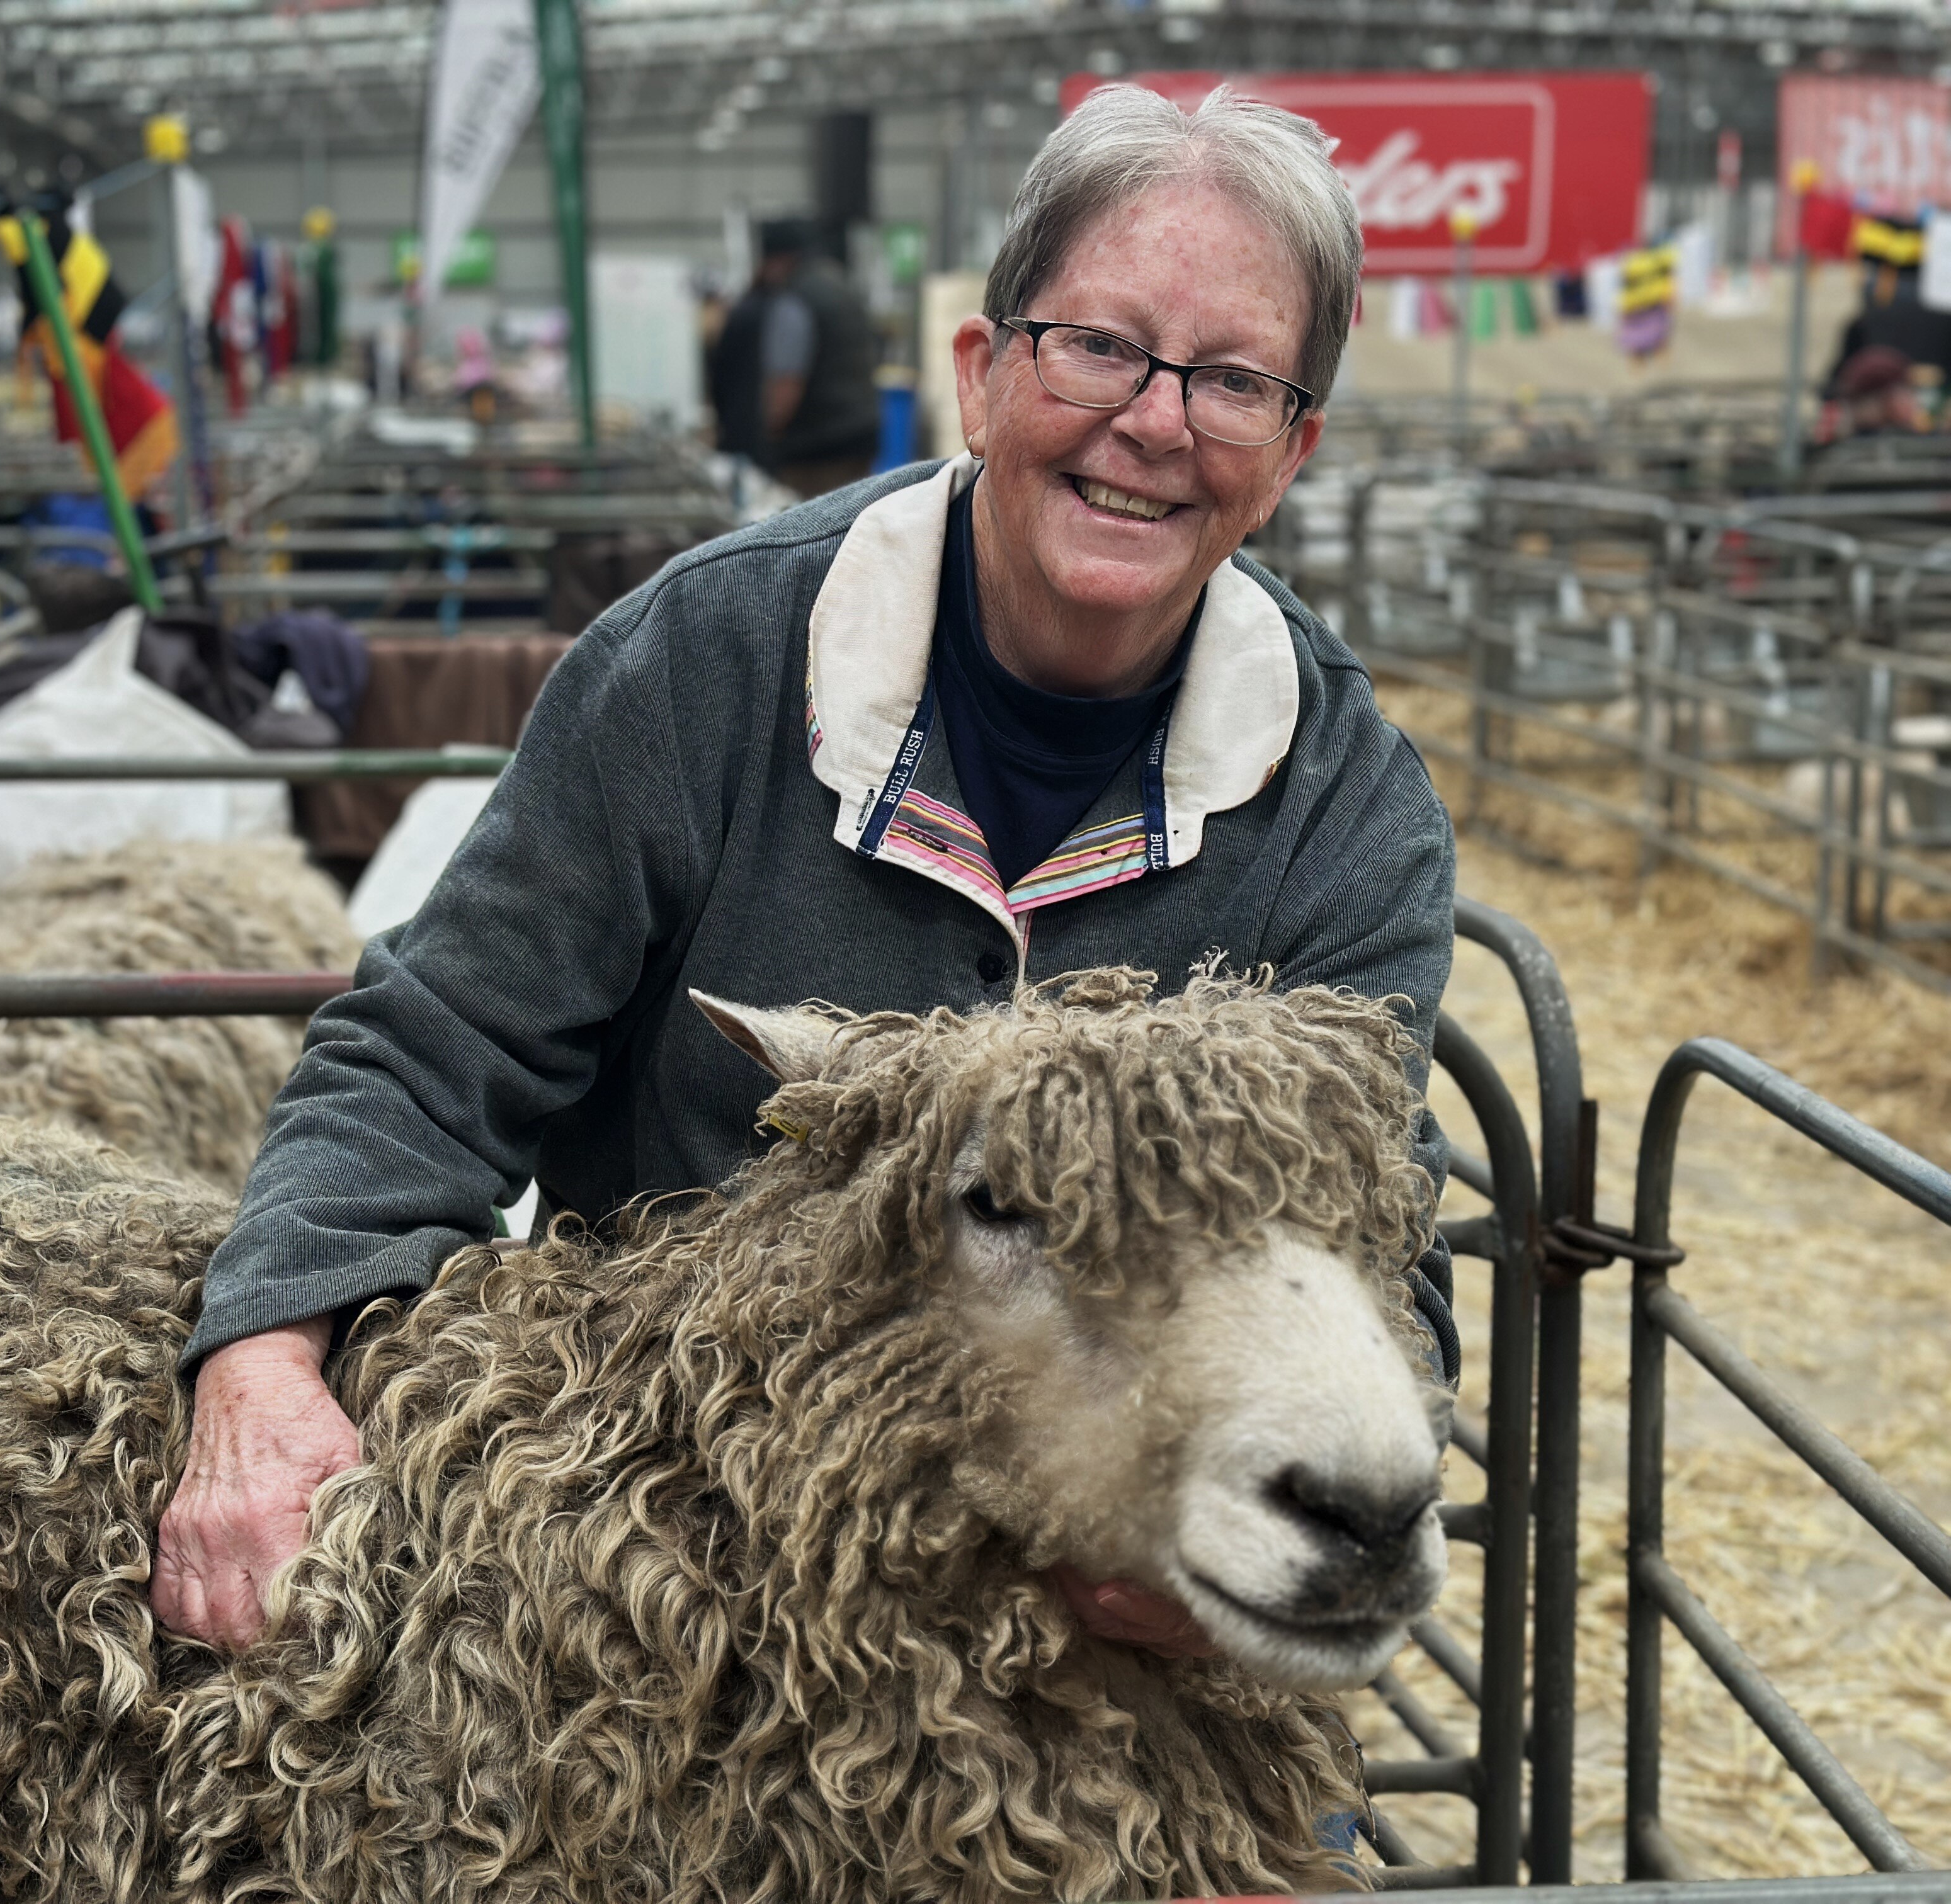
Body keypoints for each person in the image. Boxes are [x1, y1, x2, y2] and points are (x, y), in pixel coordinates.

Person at [154, 82, 1460, 1659]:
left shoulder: (1343, 809)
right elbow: (433, 1055)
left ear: (1293, 450)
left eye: (1234, 380)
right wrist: (264, 1365)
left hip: (1140, 1596)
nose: (1158, 422)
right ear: (983, 377)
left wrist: (1190, 1530)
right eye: (1102, 346)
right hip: (681, 1551)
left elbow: (1374, 1245)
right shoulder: (701, 666)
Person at [707, 217, 882, 496]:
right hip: (859, 436)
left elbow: (786, 382)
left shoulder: (795, 299)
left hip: (814, 451)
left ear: (777, 259)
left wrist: (766, 441)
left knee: (811, 531)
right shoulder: (841, 284)